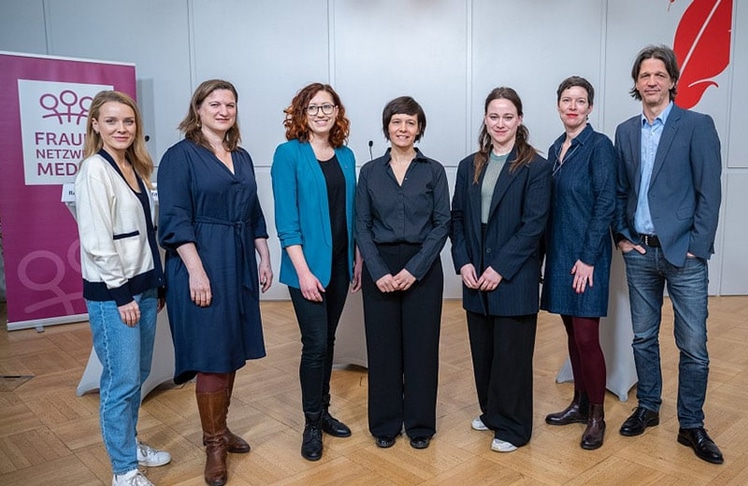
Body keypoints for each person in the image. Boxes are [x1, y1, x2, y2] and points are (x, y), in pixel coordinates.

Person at [158, 79, 273, 486]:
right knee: (210, 354)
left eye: (230, 104)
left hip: (238, 259)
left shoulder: (240, 157)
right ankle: (213, 445)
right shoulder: (179, 157)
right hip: (201, 260)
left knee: (230, 348)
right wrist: (196, 270)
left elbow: (254, 211)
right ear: (198, 108)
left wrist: (263, 256)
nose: (223, 110)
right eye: (215, 103)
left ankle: (220, 429)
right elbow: (173, 218)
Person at [614, 45, 723, 464]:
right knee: (643, 338)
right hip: (640, 252)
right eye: (645, 75)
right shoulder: (626, 131)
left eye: (660, 74)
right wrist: (623, 237)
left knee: (693, 345)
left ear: (673, 81)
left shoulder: (696, 125)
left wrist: (697, 248)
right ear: (637, 83)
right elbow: (622, 189)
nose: (652, 81)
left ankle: (692, 423)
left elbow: (708, 193)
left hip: (684, 255)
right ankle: (650, 406)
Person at [75, 90, 171, 486]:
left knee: (138, 374)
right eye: (111, 121)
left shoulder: (135, 167)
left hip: (144, 287)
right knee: (120, 382)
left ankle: (129, 445)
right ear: (95, 125)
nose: (121, 128)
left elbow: (145, 233)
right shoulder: (94, 171)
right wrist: (121, 294)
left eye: (128, 122)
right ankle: (123, 470)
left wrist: (156, 284)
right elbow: (97, 241)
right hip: (117, 294)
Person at [450, 87, 551, 453]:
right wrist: (463, 262)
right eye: (494, 116)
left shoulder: (536, 168)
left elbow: (534, 225)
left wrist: (500, 268)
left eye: (508, 116)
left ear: (519, 120)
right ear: (485, 119)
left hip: (514, 277)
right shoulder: (468, 165)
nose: (500, 123)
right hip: (475, 275)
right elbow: (457, 219)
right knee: (485, 352)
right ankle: (492, 413)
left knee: (512, 356)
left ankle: (514, 427)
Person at [271, 83, 361, 462]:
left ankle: (323, 411)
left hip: (341, 265)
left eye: (328, 106)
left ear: (338, 112)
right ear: (301, 113)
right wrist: (304, 272)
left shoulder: (346, 155)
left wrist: (357, 257)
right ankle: (311, 423)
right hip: (306, 270)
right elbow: (286, 221)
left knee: (330, 340)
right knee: (316, 344)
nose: (321, 113)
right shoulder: (288, 154)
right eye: (313, 107)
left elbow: (352, 212)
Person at [355, 96, 450, 450]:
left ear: (419, 128)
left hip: (422, 267)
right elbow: (361, 226)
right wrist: (378, 271)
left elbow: (442, 224)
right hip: (379, 266)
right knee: (383, 350)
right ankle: (384, 425)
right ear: (387, 128)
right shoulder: (369, 173)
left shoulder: (433, 170)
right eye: (397, 122)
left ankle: (420, 425)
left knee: (422, 350)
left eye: (410, 122)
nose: (403, 129)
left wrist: (415, 269)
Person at [540, 76, 616, 450]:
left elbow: (605, 203)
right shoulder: (556, 148)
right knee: (571, 333)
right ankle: (580, 403)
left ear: (590, 108)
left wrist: (588, 258)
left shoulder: (599, 146)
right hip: (561, 254)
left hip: (588, 256)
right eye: (567, 100)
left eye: (580, 100)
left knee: (587, 337)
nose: (573, 106)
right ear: (558, 106)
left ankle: (597, 417)